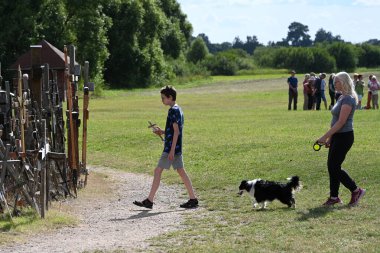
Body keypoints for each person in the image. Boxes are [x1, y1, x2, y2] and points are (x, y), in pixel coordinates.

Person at [133, 85, 198, 209]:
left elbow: (177, 131)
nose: (162, 100)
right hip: (175, 147)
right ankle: (193, 199)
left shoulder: (173, 111)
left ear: (170, 97)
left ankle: (149, 201)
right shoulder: (178, 109)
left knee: (158, 171)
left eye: (163, 98)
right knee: (180, 171)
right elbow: (174, 131)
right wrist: (162, 132)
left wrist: (172, 150)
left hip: (171, 148)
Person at [317, 72, 365, 207]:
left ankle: (356, 190)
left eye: (336, 81)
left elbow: (341, 122)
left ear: (343, 82)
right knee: (332, 166)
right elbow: (335, 121)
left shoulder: (348, 99)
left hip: (345, 137)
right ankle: (334, 197)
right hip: (337, 136)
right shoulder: (341, 97)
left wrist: (324, 136)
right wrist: (331, 138)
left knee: (334, 166)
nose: (334, 84)